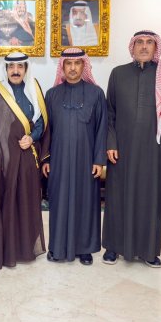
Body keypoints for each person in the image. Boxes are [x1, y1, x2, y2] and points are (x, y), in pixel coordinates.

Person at [102, 30, 161, 268]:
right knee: (117, 197)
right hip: (122, 149)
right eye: (140, 42)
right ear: (133, 46)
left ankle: (149, 251)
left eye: (150, 43)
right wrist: (111, 143)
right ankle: (113, 247)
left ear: (156, 47)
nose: (145, 47)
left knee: (150, 198)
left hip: (154, 149)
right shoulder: (118, 73)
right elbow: (110, 112)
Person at [41, 47, 107, 265]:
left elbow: (102, 128)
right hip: (59, 159)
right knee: (59, 202)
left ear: (83, 66)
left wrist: (99, 160)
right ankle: (57, 247)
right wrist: (46, 158)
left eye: (77, 63)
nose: (72, 68)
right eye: (68, 64)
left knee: (85, 202)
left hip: (86, 160)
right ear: (62, 66)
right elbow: (47, 130)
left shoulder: (96, 93)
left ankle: (85, 249)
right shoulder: (52, 95)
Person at [0, 52, 47, 270]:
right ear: (6, 69)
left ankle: (24, 248)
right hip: (3, 158)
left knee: (25, 202)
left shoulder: (34, 88)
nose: (16, 71)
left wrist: (32, 137)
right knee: (5, 203)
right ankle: (5, 249)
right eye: (11, 67)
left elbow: (42, 121)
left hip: (27, 157)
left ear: (26, 69)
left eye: (20, 67)